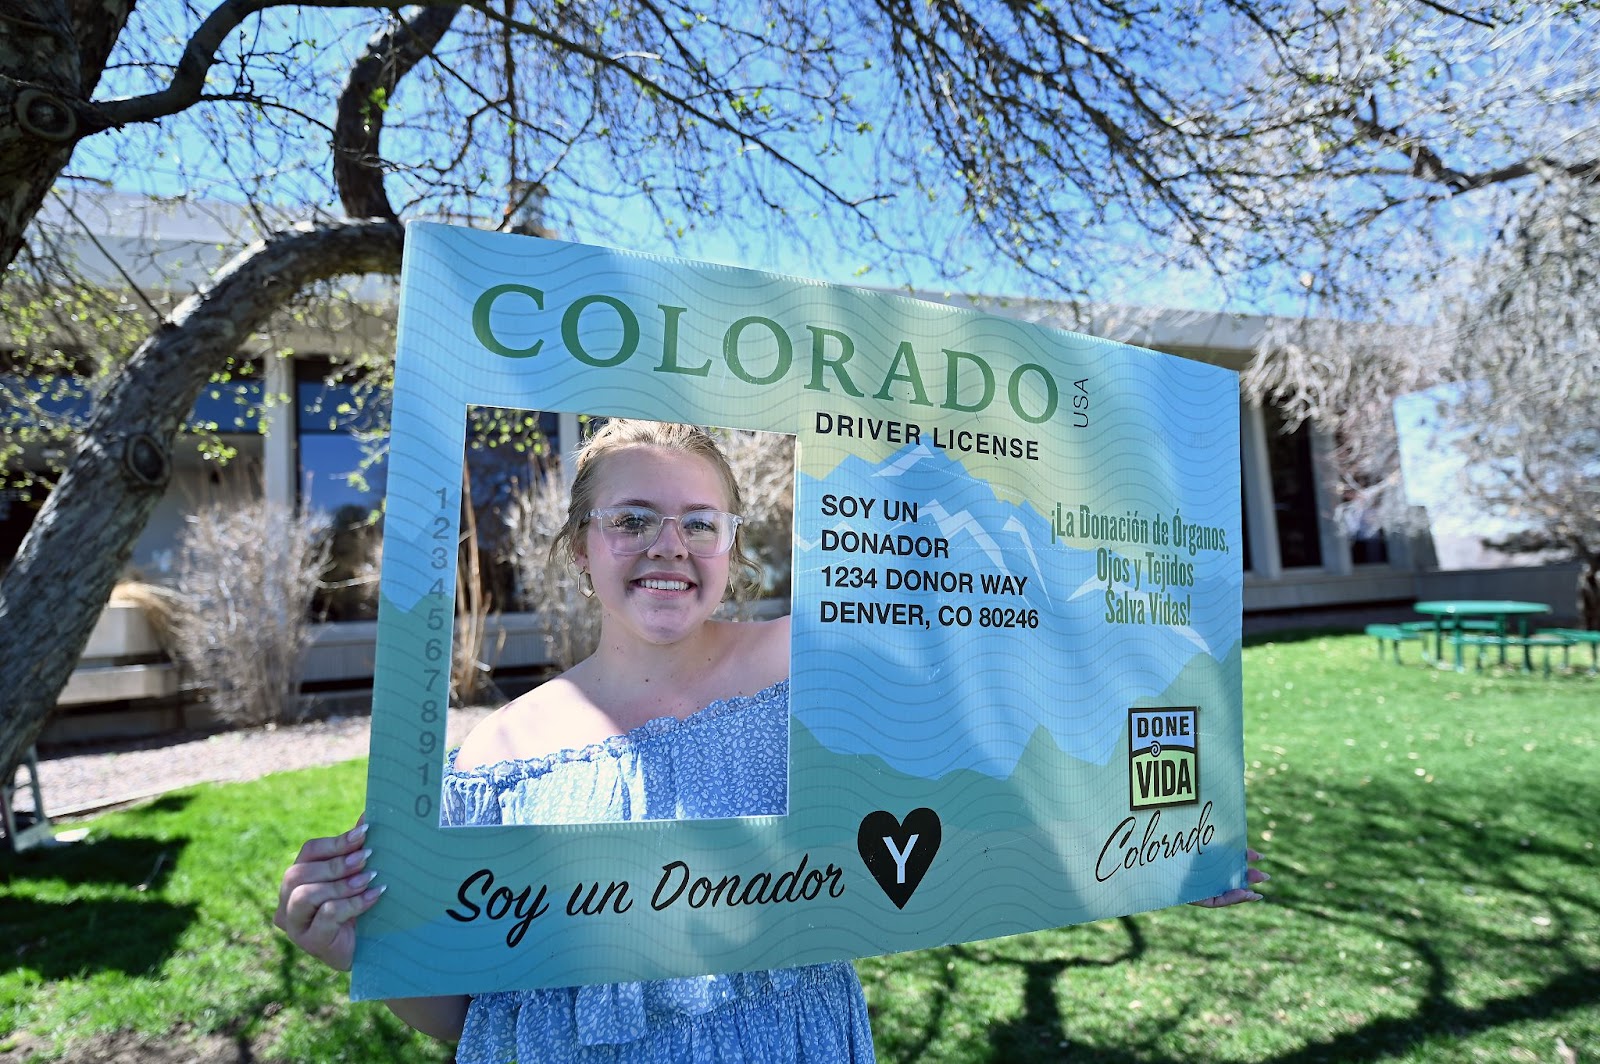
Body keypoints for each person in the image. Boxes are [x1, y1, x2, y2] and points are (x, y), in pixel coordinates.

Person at [276, 418, 1266, 1062]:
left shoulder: (815, 669)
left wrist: (1160, 840)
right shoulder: (494, 756)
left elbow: (998, 765)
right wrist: (364, 946)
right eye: (631, 518)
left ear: (733, 544)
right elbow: (471, 1015)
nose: (669, 545)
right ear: (578, 543)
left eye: (699, 522)